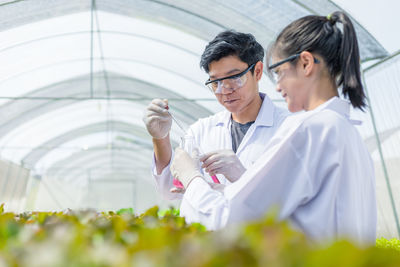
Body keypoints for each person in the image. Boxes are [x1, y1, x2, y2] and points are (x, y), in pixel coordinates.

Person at [170, 11, 377, 244]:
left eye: (278, 72)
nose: (277, 87)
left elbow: (228, 219)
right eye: (215, 82)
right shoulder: (344, 130)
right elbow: (291, 214)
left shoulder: (307, 130)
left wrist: (191, 177)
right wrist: (226, 187)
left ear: (306, 63)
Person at [143, 31, 288, 201]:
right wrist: (160, 138)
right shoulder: (201, 130)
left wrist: (241, 178)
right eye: (216, 82)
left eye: (234, 78)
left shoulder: (289, 127)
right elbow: (170, 190)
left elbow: (294, 201)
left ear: (257, 71)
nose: (225, 90)